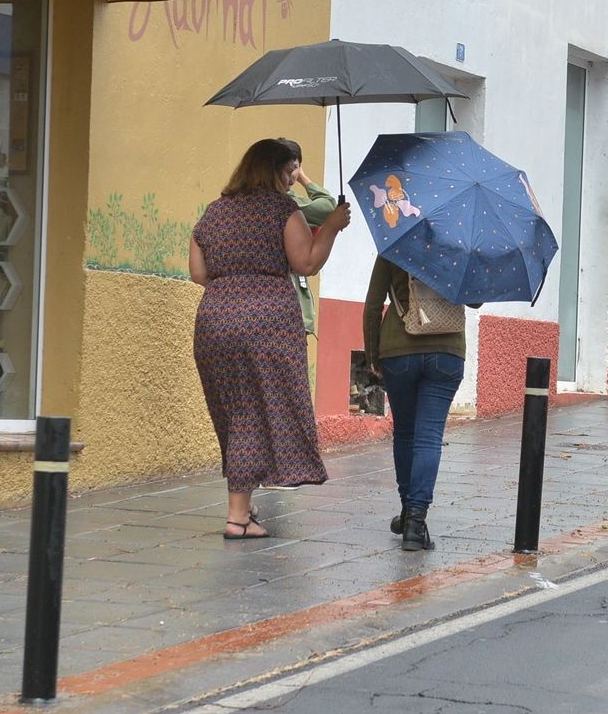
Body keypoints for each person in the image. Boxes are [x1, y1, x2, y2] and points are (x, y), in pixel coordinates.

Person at [191, 138, 352, 539]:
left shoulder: (213, 213)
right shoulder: (282, 209)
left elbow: (198, 273)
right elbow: (306, 261)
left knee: (234, 412)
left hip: (214, 321)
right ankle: (236, 517)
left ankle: (243, 507)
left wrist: (232, 286)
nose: (291, 180)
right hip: (266, 322)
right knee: (258, 412)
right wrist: (330, 227)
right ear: (275, 171)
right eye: (288, 172)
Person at [363, 257, 466, 551]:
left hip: (399, 350)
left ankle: (409, 512)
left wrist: (372, 355)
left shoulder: (395, 241)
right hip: (446, 351)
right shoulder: (457, 242)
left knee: (406, 434)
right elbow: (474, 301)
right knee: (429, 437)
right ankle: (415, 522)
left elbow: (372, 306)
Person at [276, 138, 338, 389]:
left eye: (296, 168)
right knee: (289, 387)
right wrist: (304, 178)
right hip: (288, 312)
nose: (292, 175)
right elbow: (328, 207)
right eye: (290, 168)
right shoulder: (288, 203)